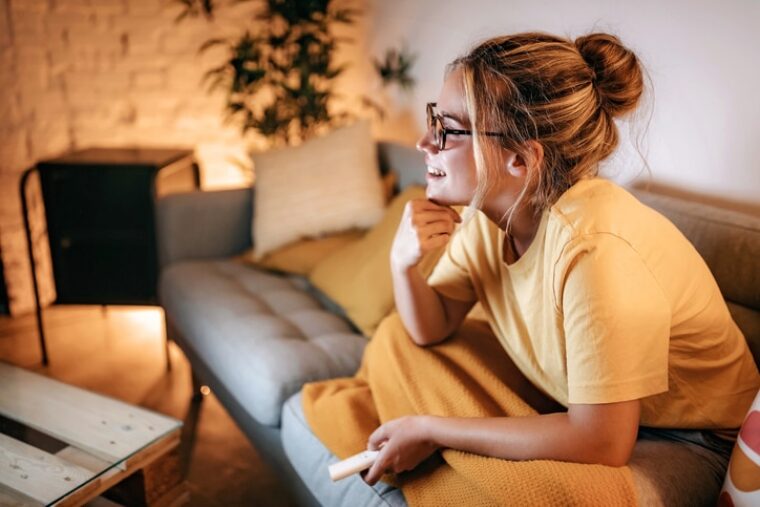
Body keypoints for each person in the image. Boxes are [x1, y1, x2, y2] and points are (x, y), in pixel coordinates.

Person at [285, 31, 760, 506]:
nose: (424, 142)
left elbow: (605, 444)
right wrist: (403, 263)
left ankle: (450, 465)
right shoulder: (490, 215)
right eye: (435, 118)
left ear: (521, 159)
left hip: (688, 440)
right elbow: (430, 328)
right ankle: (456, 466)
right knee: (393, 339)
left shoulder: (597, 253)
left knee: (529, 495)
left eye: (448, 128)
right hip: (574, 405)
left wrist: (433, 429)